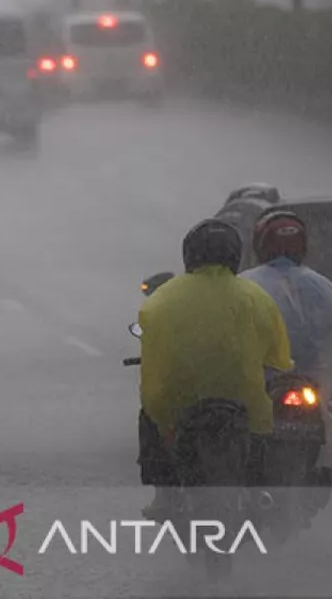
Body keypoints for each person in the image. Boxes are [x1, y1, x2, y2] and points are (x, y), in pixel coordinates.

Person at [136, 218, 293, 517]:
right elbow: (278, 358)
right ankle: (260, 491)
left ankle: (164, 496)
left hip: (179, 401)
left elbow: (151, 346)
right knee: (263, 436)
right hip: (245, 401)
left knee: (149, 419)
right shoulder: (256, 297)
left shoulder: (161, 299)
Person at [239, 211, 332, 479]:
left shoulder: (245, 284)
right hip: (308, 384)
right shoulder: (322, 285)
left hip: (261, 385)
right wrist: (321, 375)